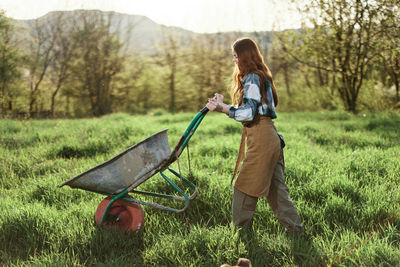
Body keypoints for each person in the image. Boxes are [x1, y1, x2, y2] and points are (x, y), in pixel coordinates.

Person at [206, 37, 303, 234]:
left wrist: (222, 108)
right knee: (276, 190)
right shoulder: (261, 76)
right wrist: (224, 104)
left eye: (236, 57)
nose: (234, 61)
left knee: (244, 185)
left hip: (262, 138)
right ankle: (296, 231)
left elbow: (249, 113)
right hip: (270, 137)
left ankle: (240, 233)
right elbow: (255, 108)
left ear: (244, 56)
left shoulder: (252, 77)